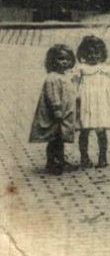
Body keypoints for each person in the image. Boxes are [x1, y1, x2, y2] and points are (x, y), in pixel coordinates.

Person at [29, 44, 77, 175]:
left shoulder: (64, 76)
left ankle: (60, 159)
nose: (65, 62)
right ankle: (52, 162)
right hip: (56, 114)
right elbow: (53, 95)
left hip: (64, 113)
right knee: (54, 139)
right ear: (52, 61)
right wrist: (57, 109)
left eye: (67, 59)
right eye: (61, 59)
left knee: (60, 138)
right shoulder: (52, 78)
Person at [75, 35, 110, 170]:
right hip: (86, 104)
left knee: (101, 131)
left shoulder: (105, 69)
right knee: (84, 131)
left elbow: (109, 87)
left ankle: (103, 157)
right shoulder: (81, 69)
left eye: (96, 53)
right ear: (83, 54)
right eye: (89, 53)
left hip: (100, 105)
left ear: (102, 54)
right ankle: (84, 157)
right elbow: (74, 84)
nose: (93, 56)